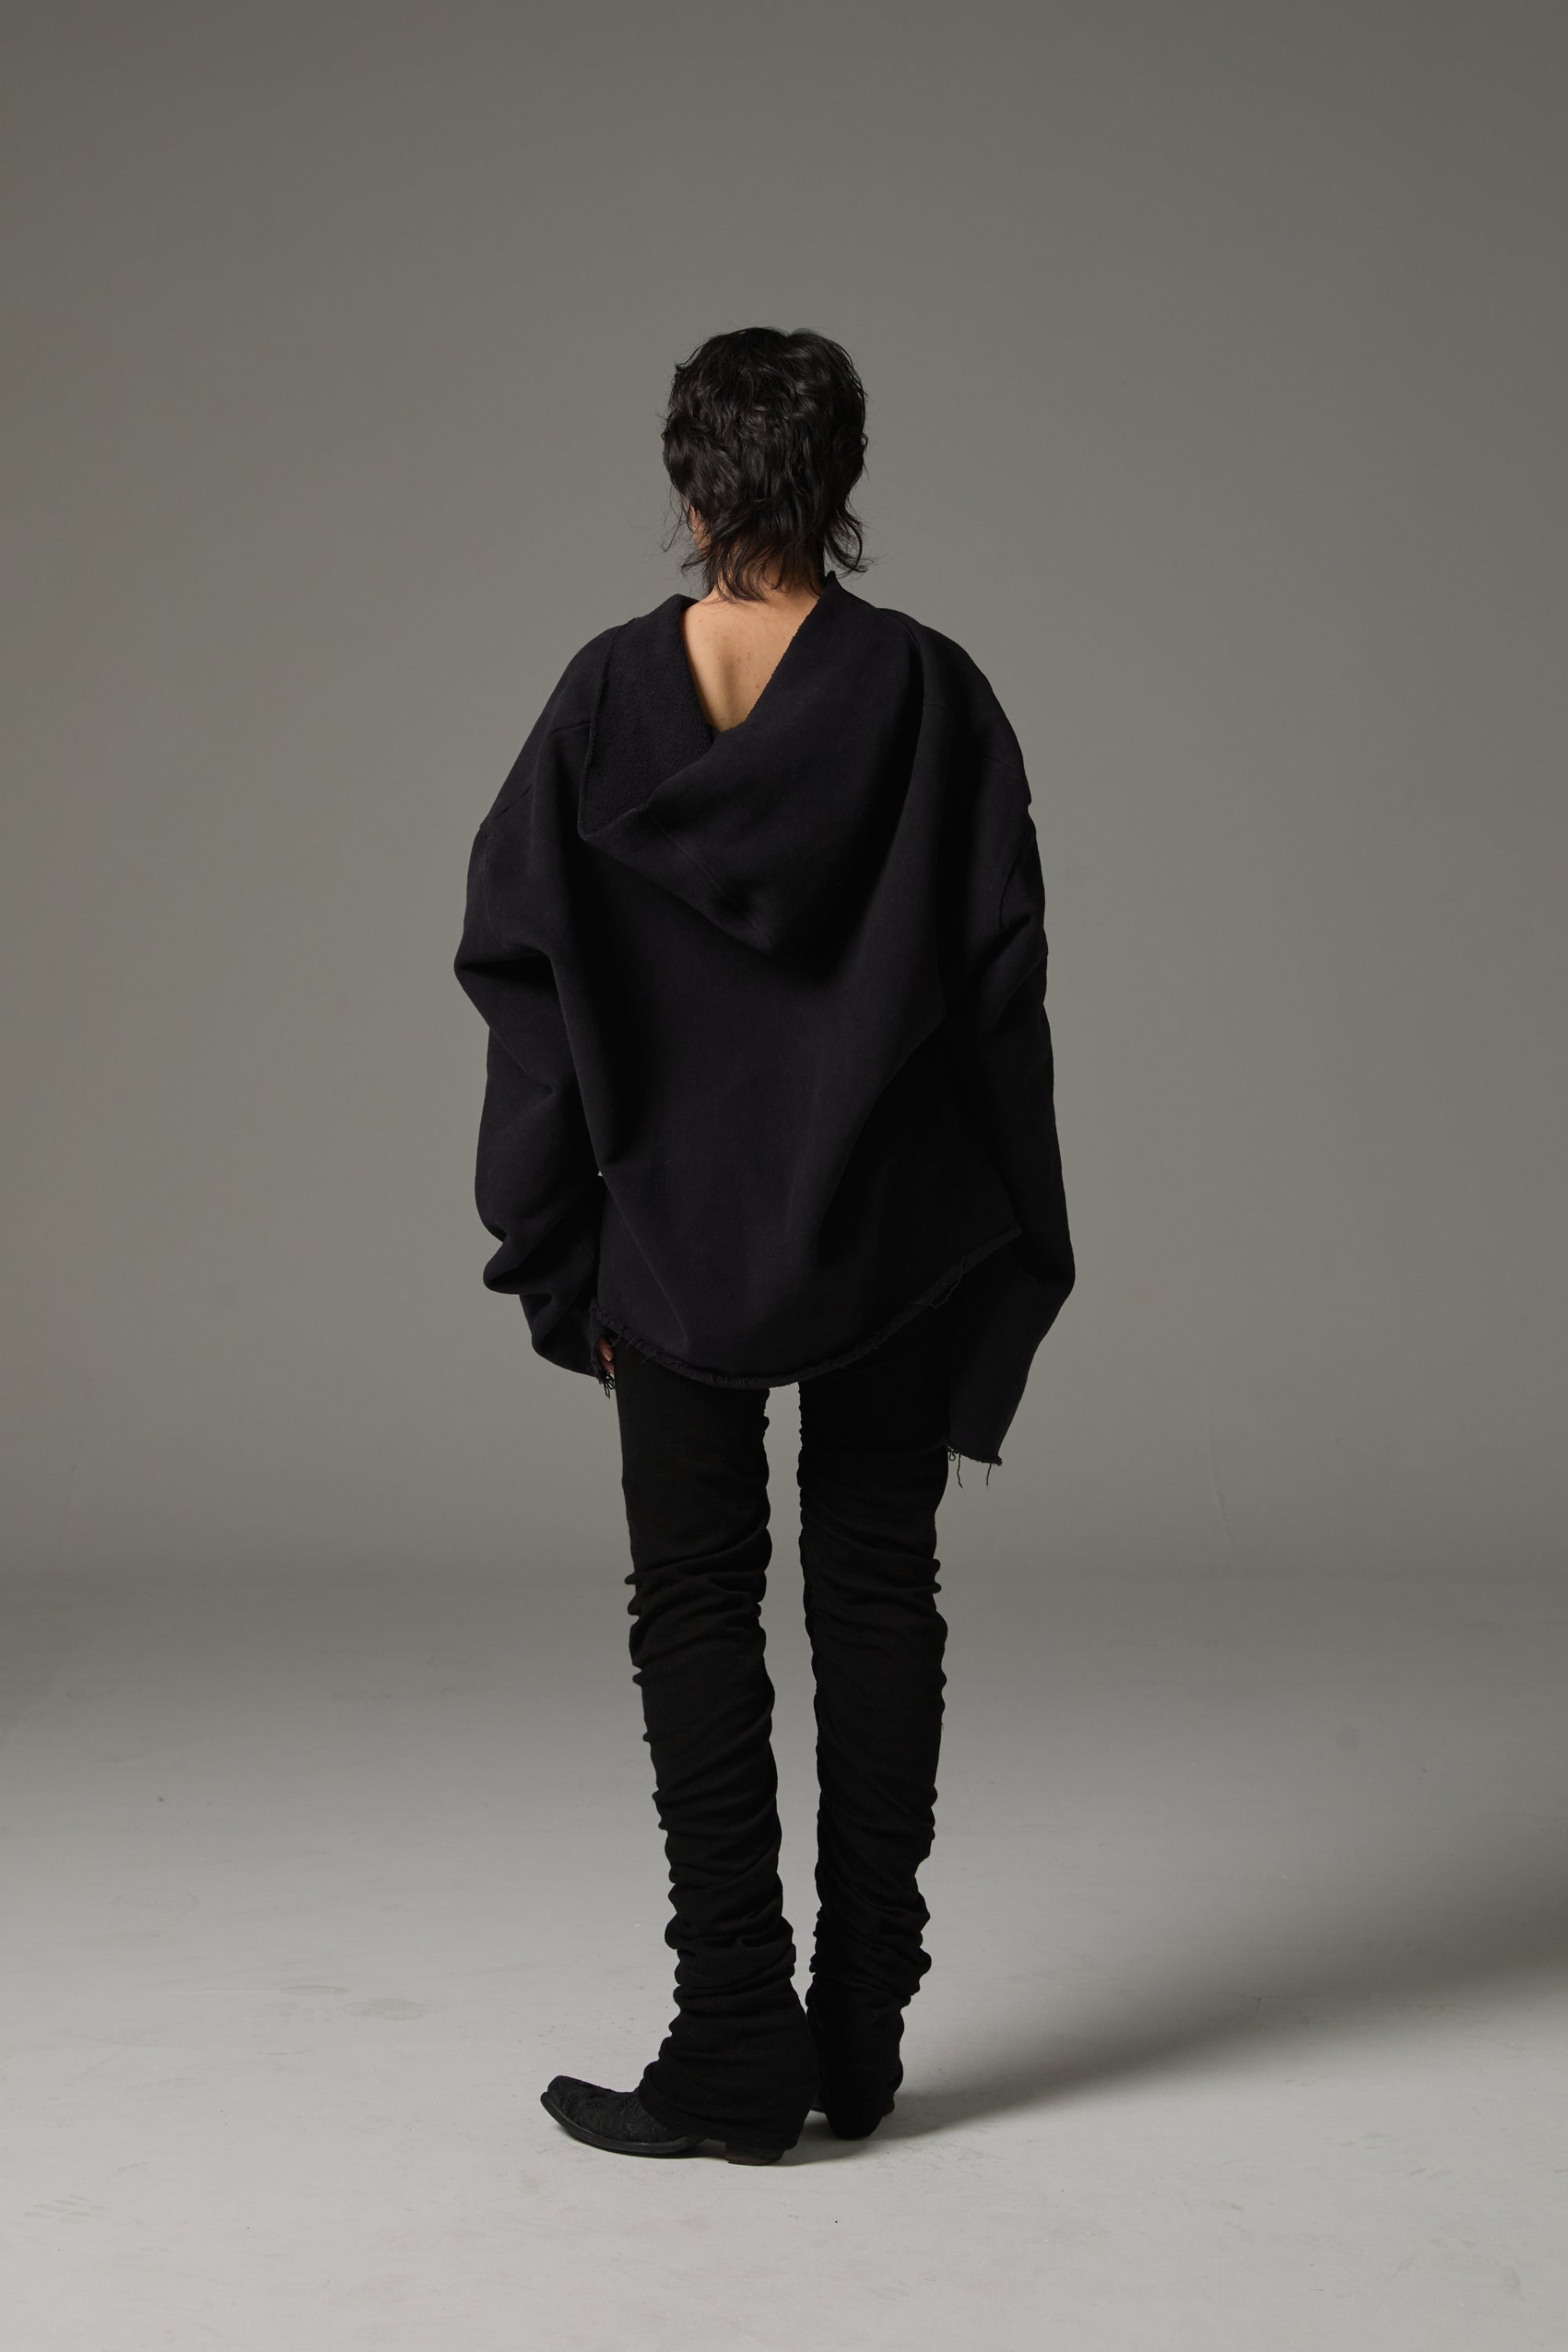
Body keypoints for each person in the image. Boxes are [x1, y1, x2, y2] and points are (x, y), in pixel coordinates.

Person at [453, 326, 1073, 2165]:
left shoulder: (600, 701)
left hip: (667, 1245)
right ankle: (859, 2031)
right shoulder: (929, 694)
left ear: (688, 479)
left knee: (692, 1607)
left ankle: (735, 2032)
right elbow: (999, 985)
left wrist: (553, 1238)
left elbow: (525, 983)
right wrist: (1007, 1231)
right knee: (877, 1597)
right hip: (894, 1230)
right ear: (843, 476)